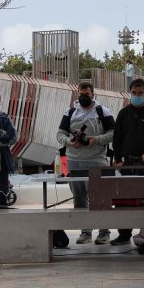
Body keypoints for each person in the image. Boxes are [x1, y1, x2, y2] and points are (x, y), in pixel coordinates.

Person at [55, 81, 115, 244]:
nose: (83, 97)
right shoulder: (70, 112)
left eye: (86, 94)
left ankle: (104, 232)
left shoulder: (103, 112)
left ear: (93, 94)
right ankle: (85, 232)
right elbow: (60, 134)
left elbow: (113, 133)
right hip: (74, 161)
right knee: (79, 198)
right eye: (81, 94)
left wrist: (96, 139)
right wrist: (69, 141)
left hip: (97, 160)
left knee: (100, 197)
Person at [112, 78, 144, 245]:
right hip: (128, 163)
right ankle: (124, 233)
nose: (136, 96)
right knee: (124, 199)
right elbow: (117, 137)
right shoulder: (123, 113)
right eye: (134, 93)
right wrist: (118, 159)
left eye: (140, 93)